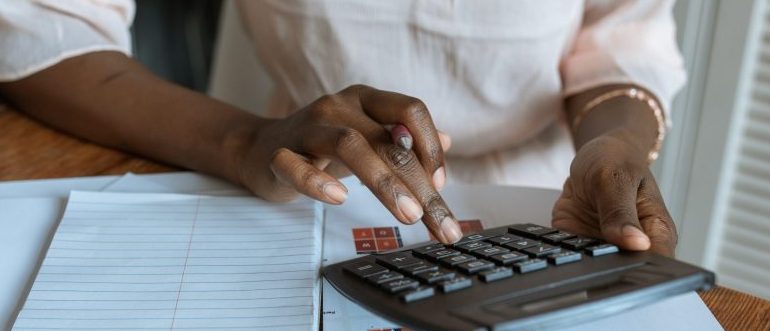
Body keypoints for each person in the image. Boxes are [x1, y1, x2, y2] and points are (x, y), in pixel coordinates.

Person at [0, 0, 684, 255]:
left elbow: (622, 34)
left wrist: (615, 142)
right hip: (292, 174)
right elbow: (40, 27)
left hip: (550, 205)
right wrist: (243, 142)